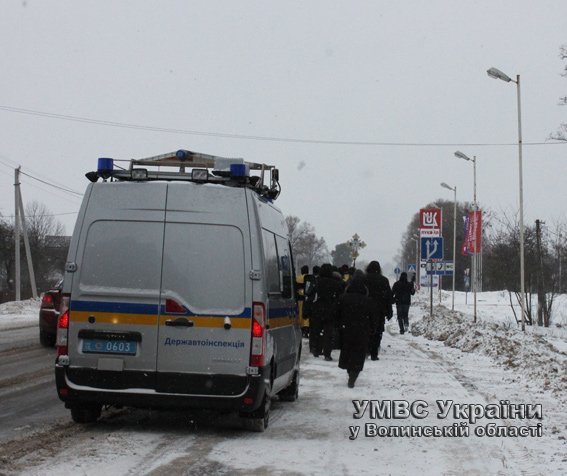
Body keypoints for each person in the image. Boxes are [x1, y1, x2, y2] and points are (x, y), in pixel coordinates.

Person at [337, 274, 378, 388]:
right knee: (359, 353)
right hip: (362, 330)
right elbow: (373, 317)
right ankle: (354, 374)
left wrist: (339, 326)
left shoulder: (343, 298)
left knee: (348, 351)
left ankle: (350, 370)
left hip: (347, 330)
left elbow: (337, 313)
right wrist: (372, 329)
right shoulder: (368, 301)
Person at [310, 263, 344, 361]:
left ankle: (316, 349)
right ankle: (327, 353)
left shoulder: (317, 282)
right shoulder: (336, 284)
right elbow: (340, 298)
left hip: (317, 310)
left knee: (317, 331)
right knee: (328, 333)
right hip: (330, 311)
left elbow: (311, 295)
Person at [365, 260, 393, 360]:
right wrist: (389, 311)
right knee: (378, 331)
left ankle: (366, 349)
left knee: (366, 330)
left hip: (366, 309)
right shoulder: (384, 280)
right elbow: (388, 297)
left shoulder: (364, 279)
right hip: (380, 310)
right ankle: (374, 353)